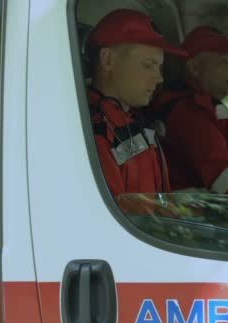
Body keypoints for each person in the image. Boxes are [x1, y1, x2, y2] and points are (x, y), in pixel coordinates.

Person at [148, 26, 228, 212]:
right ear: (194, 68)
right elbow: (223, 171)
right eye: (224, 61)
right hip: (193, 224)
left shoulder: (209, 108)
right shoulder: (185, 113)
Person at [86, 9, 187, 200]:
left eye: (159, 67)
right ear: (108, 59)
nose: (159, 78)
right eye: (148, 65)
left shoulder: (132, 121)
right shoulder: (89, 134)